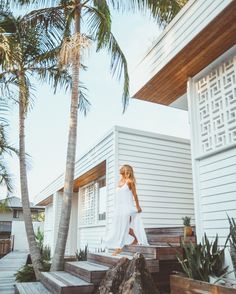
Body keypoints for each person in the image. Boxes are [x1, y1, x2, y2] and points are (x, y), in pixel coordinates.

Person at [104, 164, 148, 256]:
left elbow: (135, 195)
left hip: (128, 208)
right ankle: (135, 239)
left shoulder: (130, 182)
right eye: (126, 170)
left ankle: (119, 247)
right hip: (119, 208)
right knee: (120, 226)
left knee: (124, 226)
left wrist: (138, 206)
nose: (127, 172)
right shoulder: (120, 181)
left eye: (129, 171)